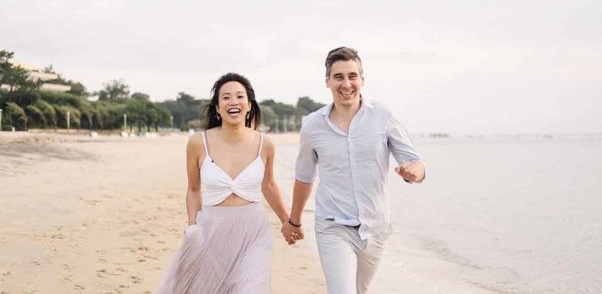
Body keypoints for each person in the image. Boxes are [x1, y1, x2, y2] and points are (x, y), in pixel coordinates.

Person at [281, 46, 426, 294]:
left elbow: (416, 163)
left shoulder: (383, 116)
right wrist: (293, 221)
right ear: (327, 81)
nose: (346, 83)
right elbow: (304, 177)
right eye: (338, 77)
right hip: (333, 225)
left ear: (362, 79)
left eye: (352, 76)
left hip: (375, 228)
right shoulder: (313, 125)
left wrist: (415, 172)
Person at [156, 72, 290, 294]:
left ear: (249, 105)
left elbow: (269, 185)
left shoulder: (265, 144)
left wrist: (287, 221)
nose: (233, 102)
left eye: (239, 96)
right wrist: (192, 226)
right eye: (225, 97)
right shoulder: (198, 143)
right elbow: (193, 189)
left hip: (253, 231)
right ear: (217, 108)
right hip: (212, 229)